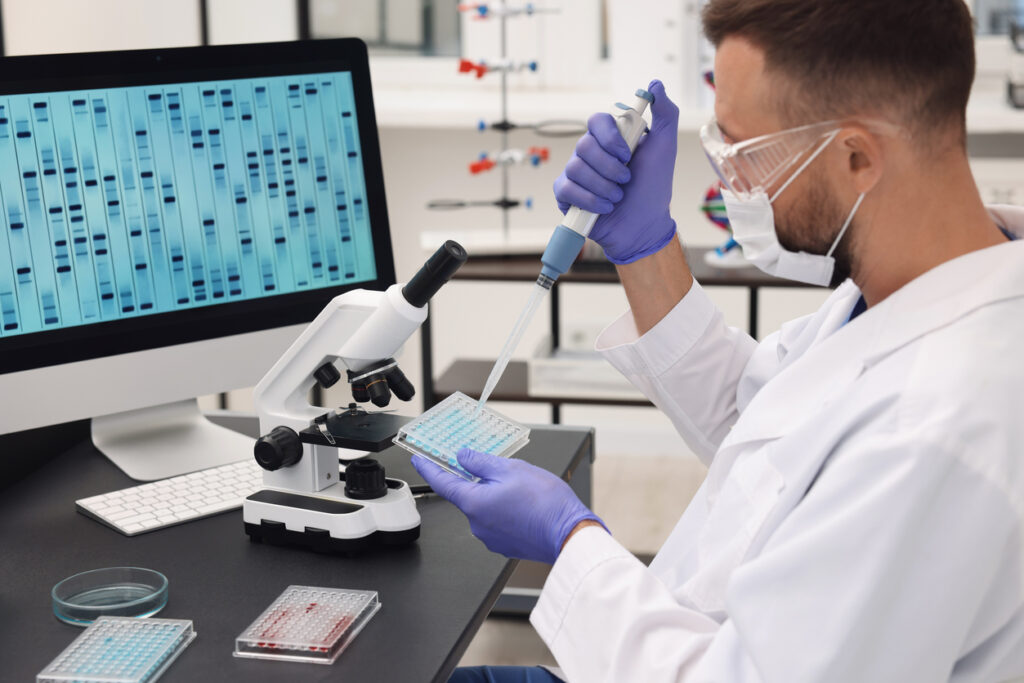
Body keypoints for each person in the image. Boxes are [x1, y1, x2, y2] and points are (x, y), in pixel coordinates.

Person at [414, 1, 1024, 680]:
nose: (729, 180)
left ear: (856, 156)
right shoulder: (914, 282)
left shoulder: (940, 431)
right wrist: (643, 245)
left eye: (743, 152)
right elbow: (760, 420)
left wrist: (571, 541)